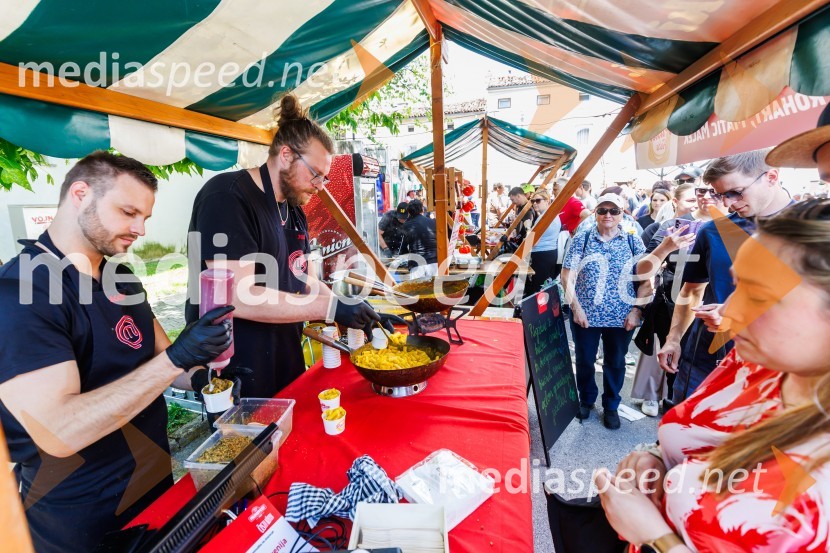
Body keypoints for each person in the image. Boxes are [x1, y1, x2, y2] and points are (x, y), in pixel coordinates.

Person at [0, 152, 234, 552]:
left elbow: (163, 360)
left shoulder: (119, 277)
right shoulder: (23, 291)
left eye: (145, 217)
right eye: (128, 212)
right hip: (80, 516)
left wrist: (205, 377)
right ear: (80, 194)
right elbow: (56, 431)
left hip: (154, 485)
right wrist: (175, 359)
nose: (140, 229)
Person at [597, 199, 830, 552]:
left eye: (760, 295)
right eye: (737, 287)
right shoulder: (754, 360)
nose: (730, 310)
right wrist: (658, 457)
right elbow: (699, 438)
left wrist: (655, 538)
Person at [186, 94, 379, 399]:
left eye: (325, 178)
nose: (320, 185)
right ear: (286, 155)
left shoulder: (294, 210)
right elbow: (238, 295)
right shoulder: (227, 197)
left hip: (285, 357)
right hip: (237, 368)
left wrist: (351, 309)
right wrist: (330, 308)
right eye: (315, 173)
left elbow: (305, 280)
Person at [657, 150, 792, 403]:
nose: (728, 203)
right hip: (702, 362)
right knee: (683, 437)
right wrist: (673, 339)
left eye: (736, 192)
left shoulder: (816, 232)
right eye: (721, 195)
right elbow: (691, 291)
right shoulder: (712, 230)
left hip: (769, 372)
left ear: (771, 177)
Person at [561, 193, 646, 430]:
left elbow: (647, 278)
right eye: (602, 210)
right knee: (586, 360)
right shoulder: (583, 238)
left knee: (615, 362)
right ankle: (586, 399)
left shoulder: (633, 240)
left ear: (622, 214)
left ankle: (611, 405)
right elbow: (567, 275)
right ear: (596, 212)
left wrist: (637, 310)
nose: (607, 215)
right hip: (585, 314)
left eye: (614, 211)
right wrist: (575, 308)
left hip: (621, 315)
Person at [525, 189, 563, 297]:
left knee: (539, 288)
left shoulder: (544, 217)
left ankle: (538, 312)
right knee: (545, 286)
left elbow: (533, 242)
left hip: (541, 255)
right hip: (549, 253)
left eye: (538, 200)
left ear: (547, 201)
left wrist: (528, 230)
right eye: (532, 201)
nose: (535, 204)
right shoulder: (553, 215)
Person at [399, 199, 438, 278]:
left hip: (416, 265)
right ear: (422, 209)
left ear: (409, 212)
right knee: (435, 289)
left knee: (417, 290)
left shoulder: (406, 225)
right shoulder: (433, 222)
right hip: (434, 264)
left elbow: (402, 250)